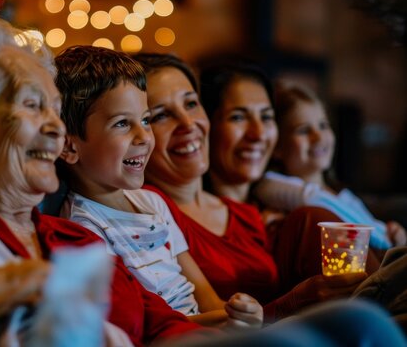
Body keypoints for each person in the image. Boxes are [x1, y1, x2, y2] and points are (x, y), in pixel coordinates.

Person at [0, 16, 204, 347]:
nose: (55, 128)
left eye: (55, 111)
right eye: (32, 105)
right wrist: (18, 282)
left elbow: (162, 324)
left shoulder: (76, 238)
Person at [133, 53, 367, 322]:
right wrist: (297, 300)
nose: (188, 124)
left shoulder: (245, 214)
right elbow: (193, 322)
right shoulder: (149, 213)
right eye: (161, 116)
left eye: (191, 104)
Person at [54, 45, 263, 330]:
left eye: (145, 120)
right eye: (122, 124)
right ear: (69, 145)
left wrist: (238, 313)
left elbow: (205, 296)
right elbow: (144, 327)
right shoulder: (82, 231)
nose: (144, 136)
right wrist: (225, 322)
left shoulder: (154, 203)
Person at [253, 79, 407, 251]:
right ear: (277, 146)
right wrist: (384, 238)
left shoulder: (344, 196)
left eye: (323, 125)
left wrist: (392, 233)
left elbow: (375, 228)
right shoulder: (271, 186)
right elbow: (313, 199)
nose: (319, 137)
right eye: (303, 130)